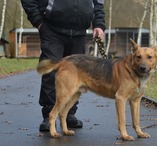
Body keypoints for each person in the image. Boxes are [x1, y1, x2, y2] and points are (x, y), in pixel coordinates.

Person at [21, 0, 106, 131]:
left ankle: (68, 114)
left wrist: (99, 24)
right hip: (52, 30)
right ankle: (49, 115)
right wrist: (38, 22)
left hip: (80, 32)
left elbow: (98, 3)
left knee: (76, 76)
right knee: (51, 73)